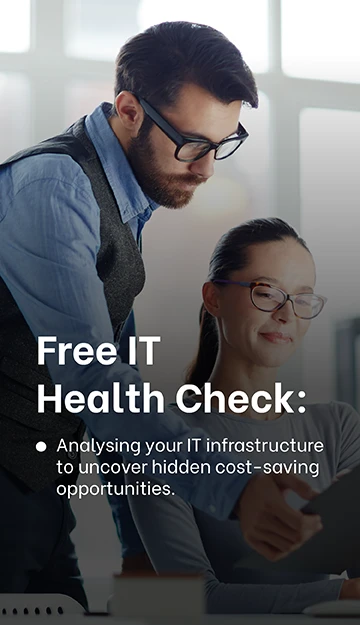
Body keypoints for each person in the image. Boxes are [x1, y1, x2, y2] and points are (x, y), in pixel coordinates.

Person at [0, 23, 321, 604]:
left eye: (223, 144)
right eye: (194, 144)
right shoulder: (54, 188)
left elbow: (118, 379)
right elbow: (92, 378)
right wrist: (238, 489)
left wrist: (140, 550)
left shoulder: (124, 200)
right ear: (128, 110)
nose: (207, 169)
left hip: (39, 494)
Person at [126, 217, 360, 614]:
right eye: (267, 292)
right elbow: (196, 599)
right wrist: (336, 595)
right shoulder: (162, 438)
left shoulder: (338, 427)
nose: (287, 314)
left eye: (302, 298)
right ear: (214, 298)